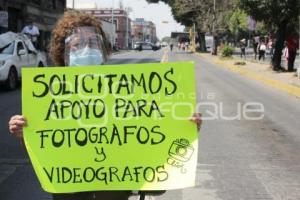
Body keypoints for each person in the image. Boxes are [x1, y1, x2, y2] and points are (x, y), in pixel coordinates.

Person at [8, 10, 202, 200]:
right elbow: (43, 155)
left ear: (103, 49)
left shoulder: (127, 94)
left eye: (93, 43)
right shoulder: (47, 96)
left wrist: (182, 130)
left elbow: (155, 161)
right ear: (63, 52)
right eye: (77, 45)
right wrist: (24, 135)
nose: (87, 49)